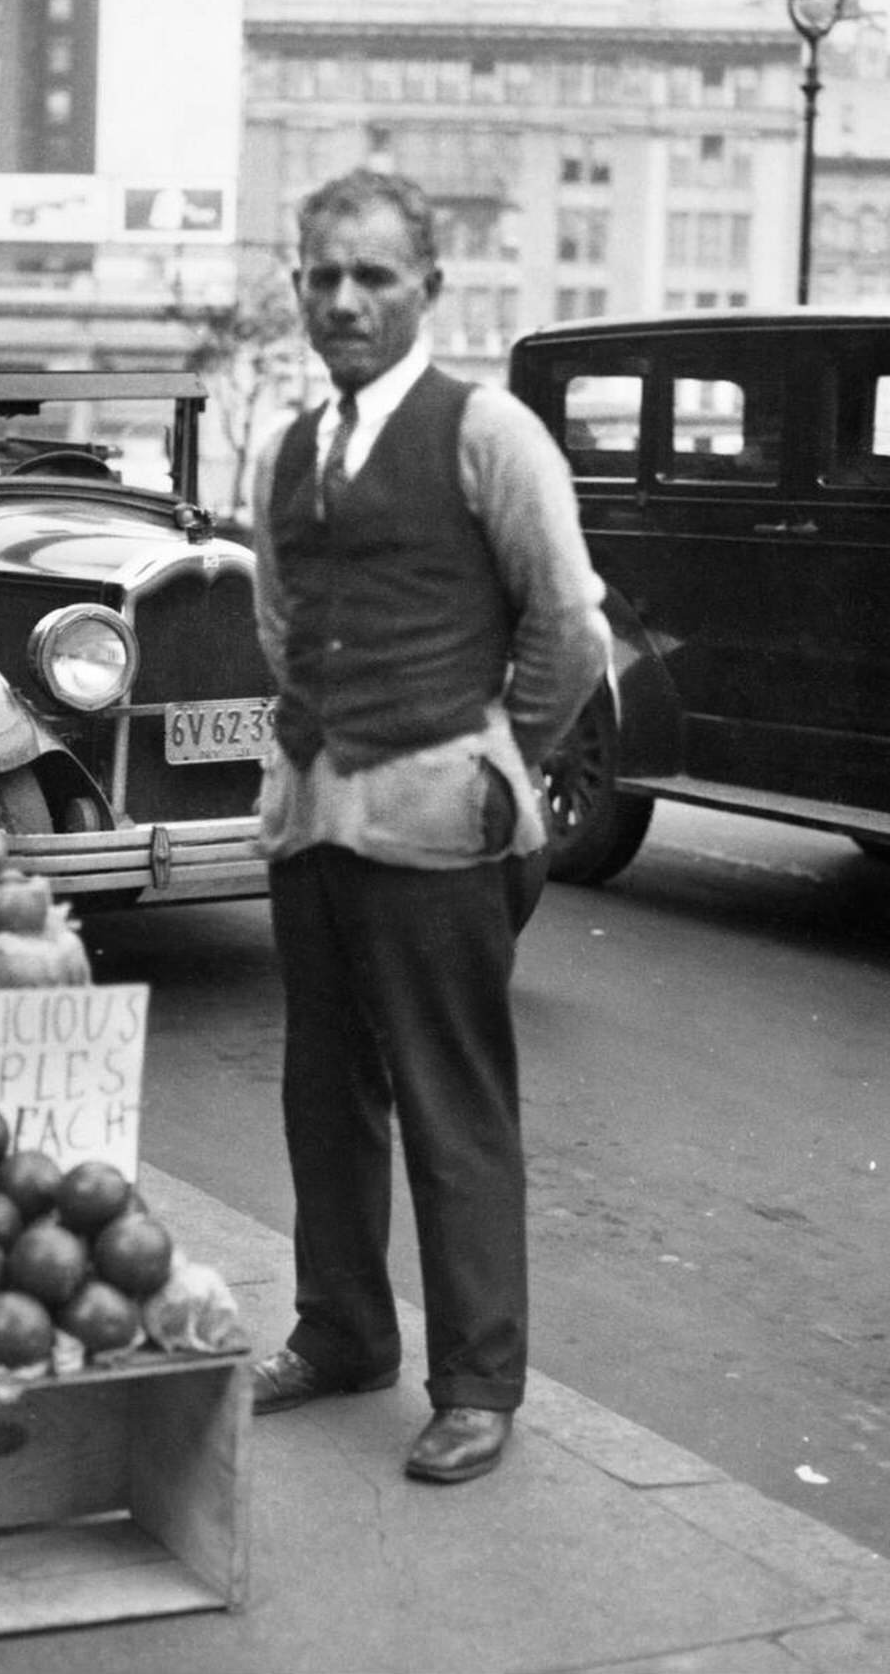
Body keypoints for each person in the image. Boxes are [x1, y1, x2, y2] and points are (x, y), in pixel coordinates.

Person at [248, 167, 611, 1484]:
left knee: (453, 1106)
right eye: (323, 278)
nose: (344, 302)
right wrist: (310, 749)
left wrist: (498, 751)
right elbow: (281, 617)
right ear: (299, 286)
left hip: (440, 826)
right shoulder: (289, 444)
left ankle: (476, 1382)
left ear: (429, 291)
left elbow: (569, 624)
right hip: (314, 824)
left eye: (374, 278)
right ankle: (341, 1330)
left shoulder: (489, 432)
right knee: (321, 1100)